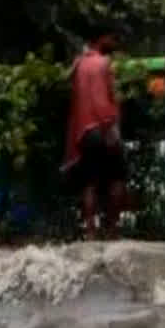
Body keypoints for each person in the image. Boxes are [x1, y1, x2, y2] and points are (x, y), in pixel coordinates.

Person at [63, 25, 126, 239]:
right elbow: (103, 98)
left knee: (89, 182)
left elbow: (69, 83)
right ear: (100, 39)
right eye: (111, 37)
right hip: (103, 127)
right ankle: (113, 229)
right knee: (117, 178)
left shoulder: (79, 63)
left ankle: (91, 231)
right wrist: (111, 126)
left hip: (84, 132)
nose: (114, 42)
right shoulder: (104, 63)